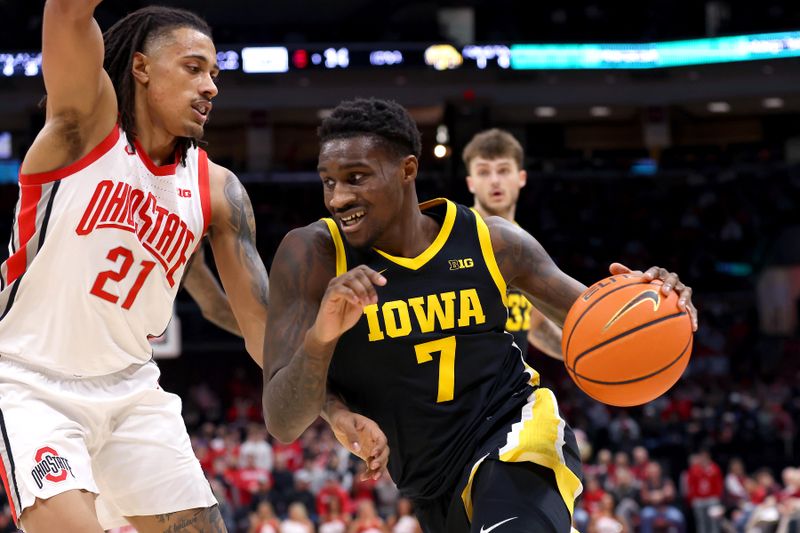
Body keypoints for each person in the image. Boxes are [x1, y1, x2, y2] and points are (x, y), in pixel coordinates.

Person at [262, 98, 698, 533]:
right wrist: (321, 341)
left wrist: (655, 300)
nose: (338, 198)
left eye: (356, 178)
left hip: (516, 436)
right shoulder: (313, 256)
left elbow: (605, 324)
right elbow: (282, 422)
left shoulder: (493, 241)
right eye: (328, 182)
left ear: (408, 170)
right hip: (431, 484)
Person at [0, 4, 273, 530]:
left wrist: (337, 406)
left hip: (132, 391)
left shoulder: (216, 189)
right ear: (142, 67)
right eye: (193, 68)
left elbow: (261, 330)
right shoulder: (85, 125)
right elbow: (66, 13)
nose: (211, 86)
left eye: (215, 74)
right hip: (29, 382)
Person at [462, 128, 562, 360]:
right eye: (484, 172)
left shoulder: (525, 244)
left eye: (504, 170)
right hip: (462, 388)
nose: (495, 180)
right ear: (471, 183)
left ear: (521, 178)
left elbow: (533, 324)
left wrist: (590, 355)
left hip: (511, 391)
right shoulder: (455, 234)